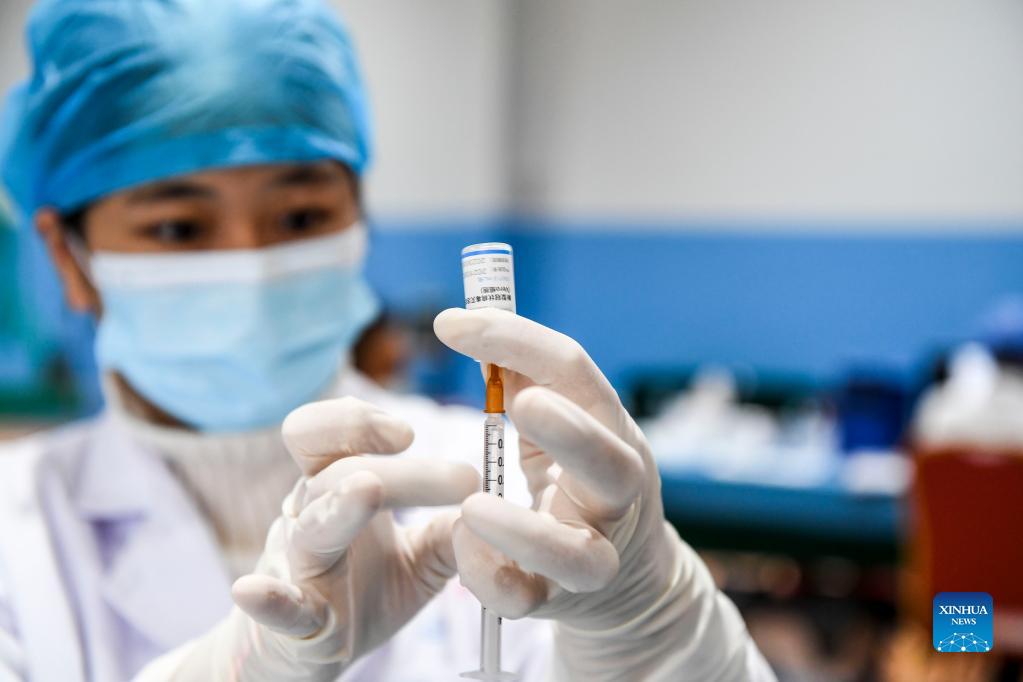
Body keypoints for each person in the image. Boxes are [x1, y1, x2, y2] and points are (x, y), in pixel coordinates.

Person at [0, 1, 775, 680]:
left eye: (301, 216)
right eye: (177, 227)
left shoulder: (510, 481)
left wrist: (650, 632)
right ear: (68, 256)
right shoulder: (16, 531)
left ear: (360, 219)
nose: (252, 264)